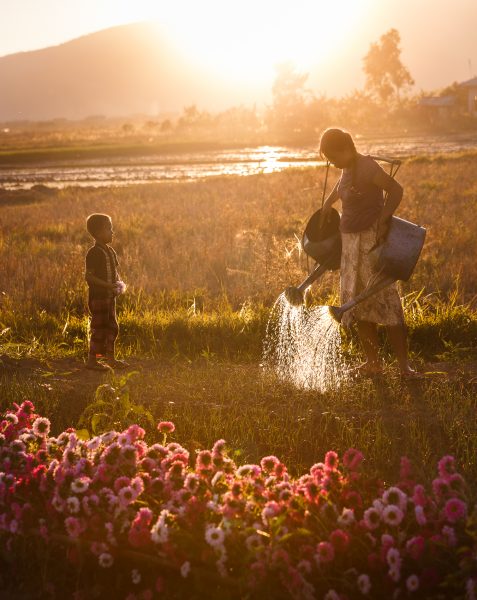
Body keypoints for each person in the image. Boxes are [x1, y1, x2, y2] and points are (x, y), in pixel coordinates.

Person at [319, 128, 420, 378]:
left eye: (333, 157)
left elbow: (396, 190)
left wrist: (385, 219)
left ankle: (403, 367)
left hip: (371, 242)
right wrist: (327, 204)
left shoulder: (367, 166)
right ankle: (373, 363)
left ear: (346, 149)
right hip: (350, 245)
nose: (333, 163)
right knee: (359, 304)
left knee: (386, 301)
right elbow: (340, 187)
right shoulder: (346, 168)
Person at [85, 213, 128, 371]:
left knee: (112, 327)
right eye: (109, 228)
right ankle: (92, 361)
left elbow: (115, 273)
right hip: (99, 298)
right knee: (99, 328)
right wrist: (107, 286)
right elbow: (88, 277)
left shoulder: (111, 252)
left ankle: (111, 359)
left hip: (110, 298)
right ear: (98, 232)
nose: (112, 232)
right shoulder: (93, 253)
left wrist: (117, 284)